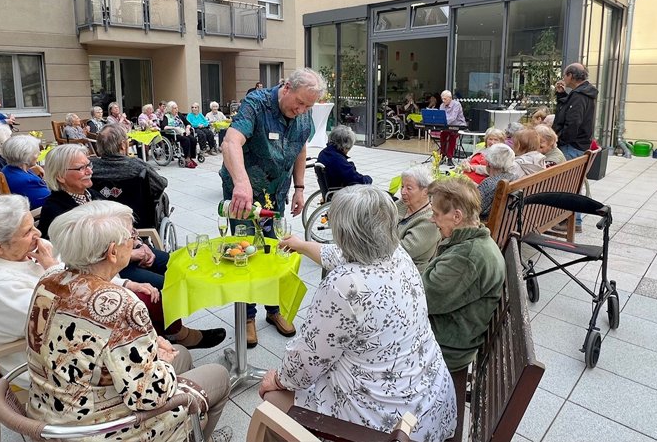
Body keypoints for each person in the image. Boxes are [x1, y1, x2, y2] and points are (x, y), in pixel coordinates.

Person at [26, 201, 232, 442]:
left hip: (49, 415)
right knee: (219, 376)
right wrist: (161, 362)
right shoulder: (123, 304)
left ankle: (189, 430)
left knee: (183, 354)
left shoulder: (48, 279)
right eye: (131, 236)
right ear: (112, 252)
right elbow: (149, 396)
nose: (136, 242)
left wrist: (154, 345)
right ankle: (192, 433)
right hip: (99, 430)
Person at [265, 186, 457, 441]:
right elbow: (337, 254)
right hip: (429, 406)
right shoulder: (398, 254)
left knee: (271, 398)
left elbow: (304, 366)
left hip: (385, 427)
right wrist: (300, 245)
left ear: (345, 235)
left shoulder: (345, 285)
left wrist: (276, 380)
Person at [37, 144, 227, 349]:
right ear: (60, 176)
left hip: (126, 251)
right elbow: (71, 258)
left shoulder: (90, 194)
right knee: (162, 286)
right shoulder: (56, 210)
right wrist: (131, 254)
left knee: (177, 263)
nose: (89, 170)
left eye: (88, 165)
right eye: (81, 168)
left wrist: (139, 244)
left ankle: (167, 326)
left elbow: (122, 224)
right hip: (104, 269)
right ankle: (178, 334)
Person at [0, 194, 164, 385]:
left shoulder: (24, 254)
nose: (38, 234)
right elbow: (63, 316)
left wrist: (125, 284)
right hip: (48, 369)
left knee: (155, 347)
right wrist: (145, 343)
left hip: (70, 346)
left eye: (34, 227)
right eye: (27, 232)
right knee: (165, 363)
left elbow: (83, 273)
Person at [221, 67, 324, 347]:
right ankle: (247, 317)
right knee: (245, 253)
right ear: (287, 87)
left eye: (308, 106)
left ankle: (273, 309)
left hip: (276, 195)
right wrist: (241, 182)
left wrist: (300, 188)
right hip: (245, 198)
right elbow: (231, 142)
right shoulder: (257, 104)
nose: (302, 110)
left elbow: (301, 148)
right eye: (299, 103)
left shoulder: (303, 114)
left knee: (273, 249)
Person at [424, 177, 505, 372]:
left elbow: (423, 300)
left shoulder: (467, 258)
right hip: (450, 334)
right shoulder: (471, 243)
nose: (431, 219)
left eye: (435, 214)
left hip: (446, 348)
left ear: (456, 217)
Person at [92, 124, 168, 226]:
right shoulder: (138, 166)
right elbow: (160, 185)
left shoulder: (90, 168)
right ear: (123, 145)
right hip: (137, 221)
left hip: (102, 221)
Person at [397, 165, 440, 272]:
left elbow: (402, 251)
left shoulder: (430, 221)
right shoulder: (402, 204)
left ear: (425, 191)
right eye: (402, 186)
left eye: (409, 188)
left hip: (409, 271)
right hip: (390, 263)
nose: (403, 192)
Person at [554, 63, 597, 160]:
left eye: (564, 75)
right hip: (578, 146)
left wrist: (558, 140)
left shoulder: (579, 96)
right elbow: (570, 111)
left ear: (570, 76)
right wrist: (562, 95)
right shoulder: (585, 93)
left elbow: (573, 122)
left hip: (571, 147)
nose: (563, 78)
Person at [1, 134, 50, 209]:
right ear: (26, 156)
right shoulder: (27, 181)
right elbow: (49, 201)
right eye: (36, 152)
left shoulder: (7, 169)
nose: (39, 154)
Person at [477, 143, 517, 220]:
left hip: (486, 225)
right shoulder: (514, 178)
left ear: (488, 163)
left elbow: (472, 210)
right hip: (506, 222)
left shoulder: (489, 184)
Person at [161, 101, 198, 168]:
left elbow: (188, 123)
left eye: (177, 108)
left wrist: (187, 128)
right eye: (174, 108)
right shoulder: (167, 116)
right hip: (172, 134)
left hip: (182, 132)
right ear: (170, 109)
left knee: (193, 139)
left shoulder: (179, 115)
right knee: (186, 140)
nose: (176, 109)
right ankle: (187, 159)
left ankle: (190, 157)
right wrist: (174, 128)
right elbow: (164, 126)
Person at [439, 90, 466, 166]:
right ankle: (442, 155)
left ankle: (450, 157)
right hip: (447, 126)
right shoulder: (442, 105)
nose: (443, 101)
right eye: (442, 99)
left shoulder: (456, 104)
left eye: (445, 99)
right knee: (443, 135)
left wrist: (443, 123)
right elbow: (441, 116)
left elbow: (453, 118)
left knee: (452, 136)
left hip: (458, 125)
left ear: (450, 98)